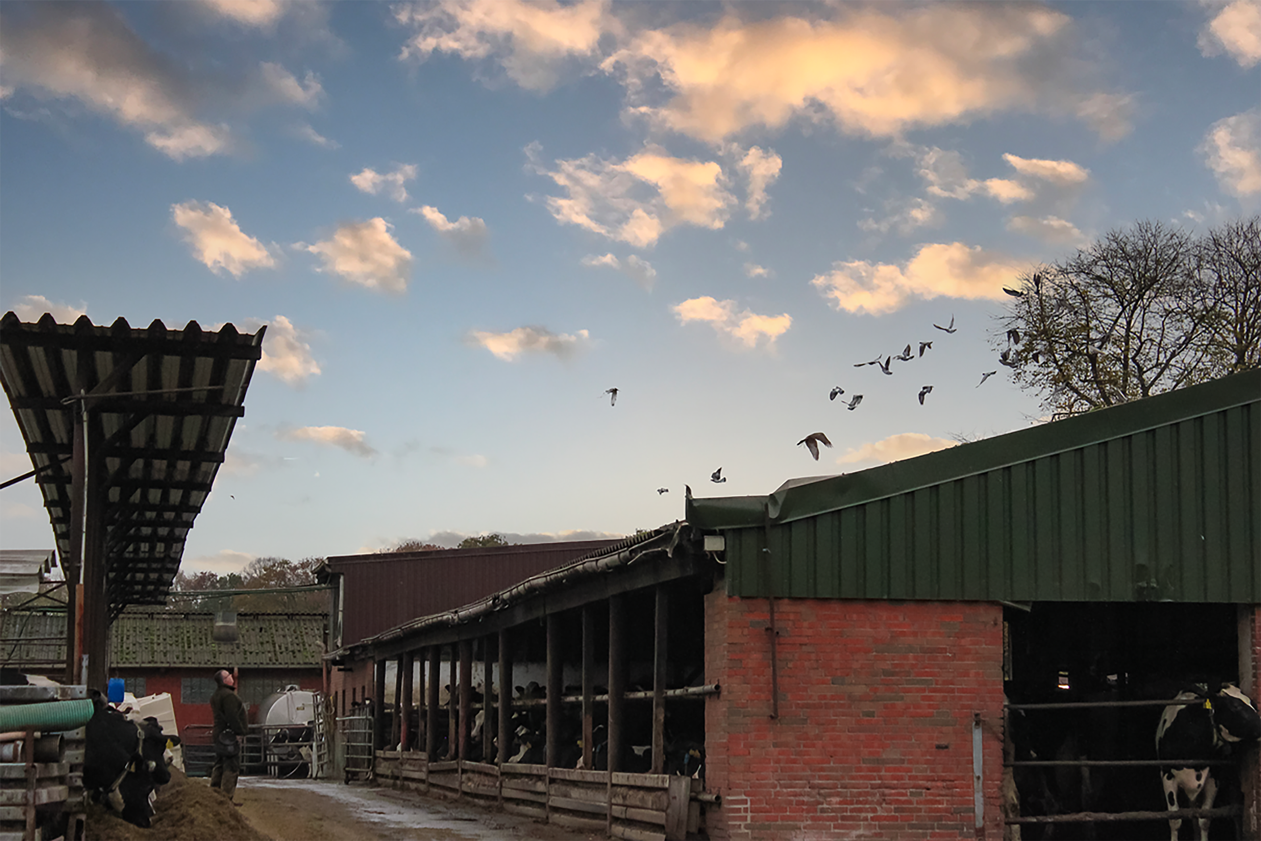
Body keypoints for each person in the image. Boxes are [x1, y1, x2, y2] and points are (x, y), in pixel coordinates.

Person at [209, 668, 248, 801]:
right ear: (225, 680)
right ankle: (226, 798)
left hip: (219, 734)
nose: (231, 676)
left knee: (219, 764)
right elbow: (232, 717)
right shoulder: (229, 696)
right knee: (231, 766)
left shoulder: (216, 695)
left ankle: (214, 793)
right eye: (229, 675)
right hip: (228, 737)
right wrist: (239, 732)